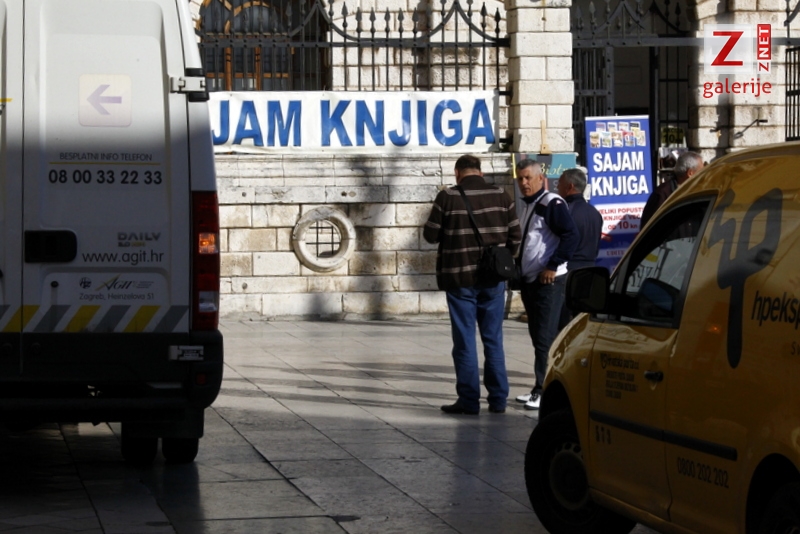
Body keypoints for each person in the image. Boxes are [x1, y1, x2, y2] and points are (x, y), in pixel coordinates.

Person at [423, 154, 521, 415]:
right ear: (481, 171)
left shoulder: (448, 197)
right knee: (493, 340)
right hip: (493, 280)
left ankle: (468, 400)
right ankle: (498, 400)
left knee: (465, 341)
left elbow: (430, 235)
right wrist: (502, 258)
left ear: (457, 173)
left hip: (460, 279)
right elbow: (516, 236)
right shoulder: (501, 195)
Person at [513, 159, 578, 410]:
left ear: (541, 178)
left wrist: (553, 265)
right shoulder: (530, 204)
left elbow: (571, 235)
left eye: (528, 177)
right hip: (532, 281)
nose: (523, 183)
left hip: (548, 282)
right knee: (538, 336)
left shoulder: (552, 203)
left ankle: (544, 390)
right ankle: (540, 387)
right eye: (520, 178)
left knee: (544, 338)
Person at [556, 167, 603, 329]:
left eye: (560, 183)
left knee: (562, 322)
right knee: (583, 322)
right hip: (590, 270)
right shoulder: (594, 212)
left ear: (570, 186)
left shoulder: (566, 211)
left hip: (569, 271)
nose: (557, 187)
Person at [640, 151, 705, 228]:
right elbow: (650, 227)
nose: (703, 175)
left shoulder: (698, 192)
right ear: (690, 173)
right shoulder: (663, 194)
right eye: (701, 172)